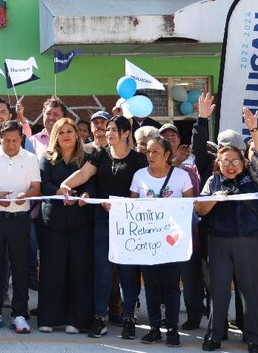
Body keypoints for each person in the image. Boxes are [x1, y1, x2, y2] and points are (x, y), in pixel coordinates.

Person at [60, 115, 146, 340]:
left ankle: (129, 319)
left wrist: (121, 204)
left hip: (129, 223)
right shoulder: (100, 154)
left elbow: (144, 190)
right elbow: (84, 174)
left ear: (127, 133)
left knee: (128, 272)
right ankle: (100, 318)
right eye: (107, 129)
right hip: (103, 221)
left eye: (114, 130)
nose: (108, 133)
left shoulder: (139, 159)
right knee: (103, 271)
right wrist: (66, 184)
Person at [194, 107, 258, 353]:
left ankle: (254, 337)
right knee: (218, 291)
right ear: (218, 163)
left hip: (249, 240)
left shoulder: (252, 177)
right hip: (219, 241)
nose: (231, 166)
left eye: (236, 161)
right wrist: (215, 198)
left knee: (249, 291)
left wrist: (254, 129)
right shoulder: (212, 182)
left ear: (243, 162)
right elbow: (201, 210)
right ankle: (214, 335)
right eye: (225, 161)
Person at [0, 120, 41, 334]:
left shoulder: (31, 158)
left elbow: (36, 188)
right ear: (0, 137)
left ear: (21, 138)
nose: (11, 144)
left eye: (15, 140)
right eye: (6, 140)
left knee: (20, 266)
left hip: (19, 218)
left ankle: (20, 314)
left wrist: (26, 196)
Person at [129, 137, 194, 347]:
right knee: (151, 286)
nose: (150, 156)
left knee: (171, 286)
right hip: (147, 242)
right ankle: (155, 328)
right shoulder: (139, 176)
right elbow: (131, 207)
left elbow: (190, 207)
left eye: (155, 152)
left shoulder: (182, 176)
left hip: (172, 242)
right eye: (148, 152)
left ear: (167, 154)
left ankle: (172, 329)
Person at [38, 118, 93, 335]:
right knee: (53, 270)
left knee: (79, 271)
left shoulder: (86, 158)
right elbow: (44, 184)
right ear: (55, 137)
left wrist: (87, 194)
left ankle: (77, 320)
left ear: (77, 135)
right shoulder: (47, 158)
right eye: (61, 132)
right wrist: (60, 192)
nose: (66, 135)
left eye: (70, 131)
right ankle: (49, 318)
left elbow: (91, 183)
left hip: (81, 221)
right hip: (54, 223)